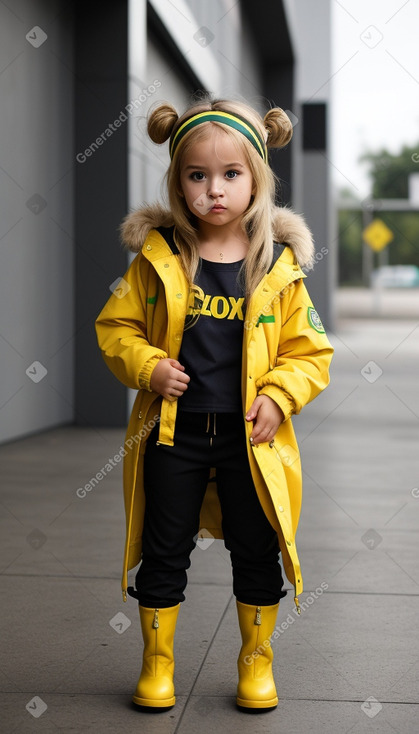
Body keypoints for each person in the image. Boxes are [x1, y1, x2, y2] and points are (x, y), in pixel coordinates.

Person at [95, 96, 334, 712]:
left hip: (250, 441)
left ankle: (256, 664)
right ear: (178, 181)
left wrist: (280, 397)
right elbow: (116, 329)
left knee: (255, 549)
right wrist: (148, 368)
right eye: (197, 176)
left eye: (231, 175)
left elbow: (310, 353)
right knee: (162, 546)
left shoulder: (276, 267)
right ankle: (157, 664)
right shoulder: (158, 259)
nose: (214, 190)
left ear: (257, 177)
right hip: (173, 435)